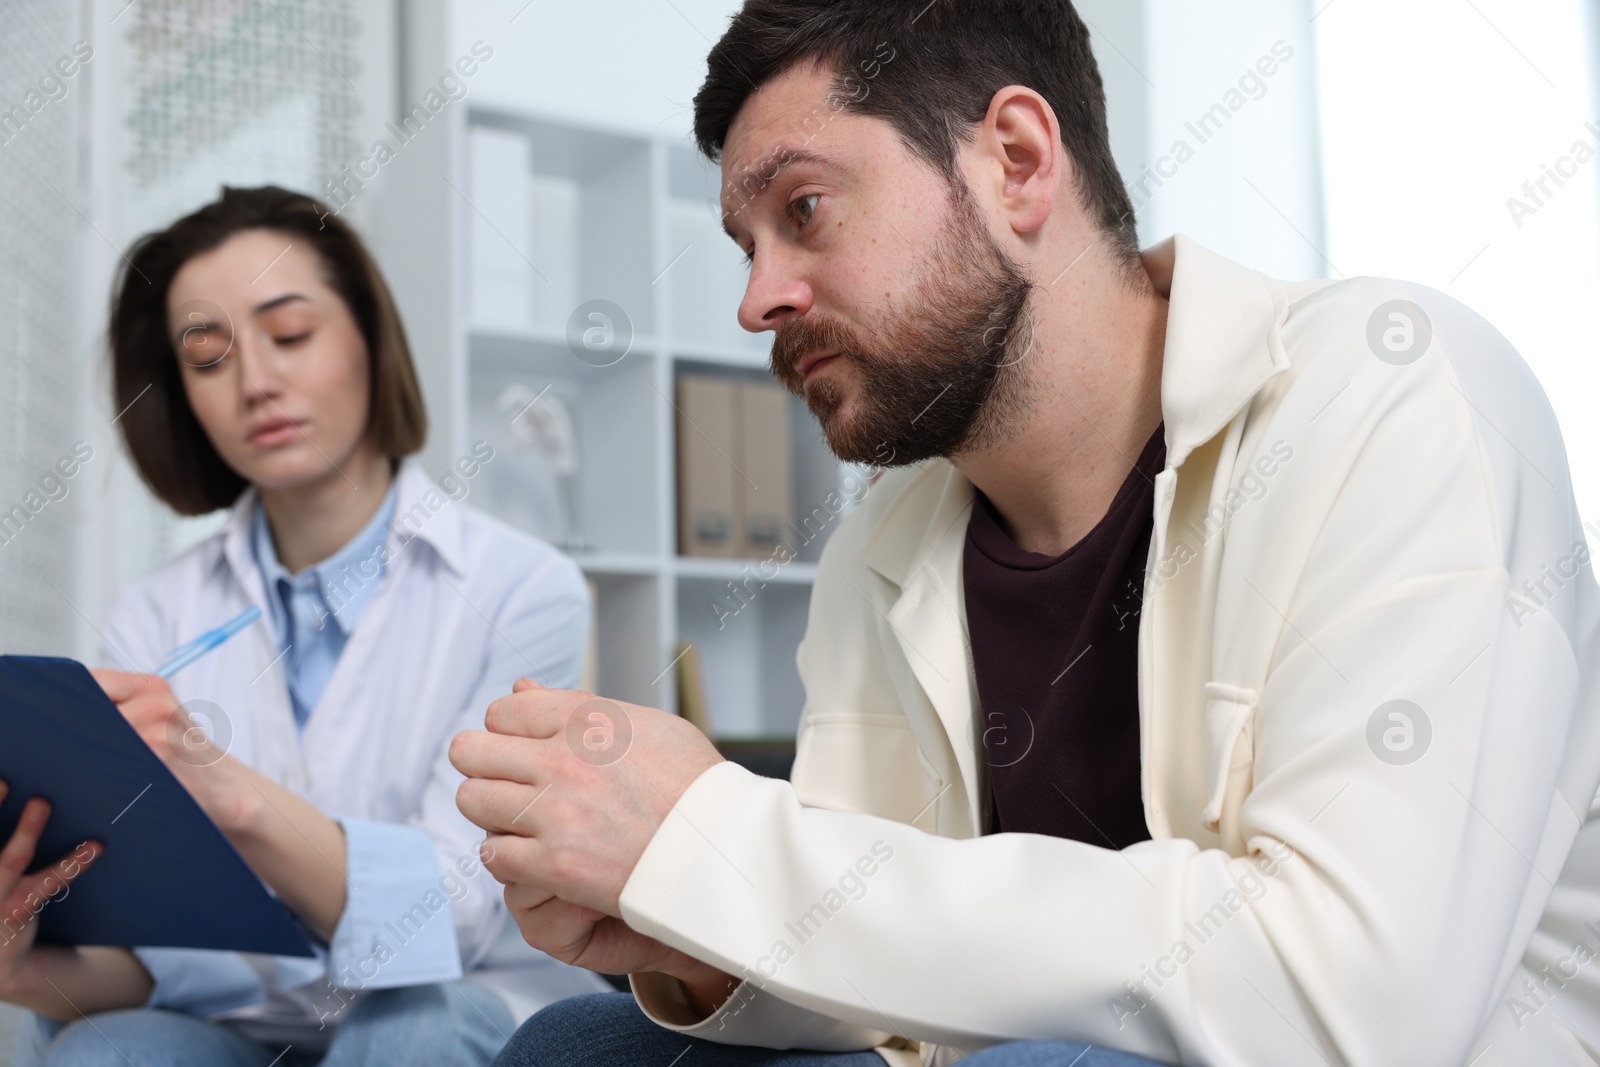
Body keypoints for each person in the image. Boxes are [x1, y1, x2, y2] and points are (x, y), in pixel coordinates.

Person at [448, 1, 1600, 1065]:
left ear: (1014, 160)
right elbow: (888, 952)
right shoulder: (886, 538)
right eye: (745, 245)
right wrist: (698, 927)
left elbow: (1354, 1001)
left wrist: (724, 844)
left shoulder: (1389, 391)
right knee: (576, 1046)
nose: (757, 297)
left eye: (802, 209)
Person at [0, 186, 611, 1067]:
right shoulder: (152, 614)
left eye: (290, 335)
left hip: (457, 1007)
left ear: (368, 335)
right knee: (109, 1051)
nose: (256, 381)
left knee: (407, 1029)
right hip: (241, 1028)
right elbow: (155, 961)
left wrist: (231, 796)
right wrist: (23, 966)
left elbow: (454, 917)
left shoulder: (523, 588)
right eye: (208, 356)